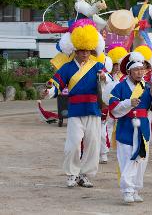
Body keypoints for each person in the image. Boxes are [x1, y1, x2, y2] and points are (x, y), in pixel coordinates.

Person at [42, 19, 109, 188]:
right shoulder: (66, 68)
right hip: (75, 109)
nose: (85, 53)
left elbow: (108, 84)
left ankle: (84, 175)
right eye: (81, 50)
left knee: (92, 144)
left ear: (91, 49)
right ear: (75, 50)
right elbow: (55, 84)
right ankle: (72, 174)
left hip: (93, 109)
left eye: (87, 50)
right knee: (73, 144)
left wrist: (104, 78)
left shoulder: (98, 66)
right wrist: (49, 91)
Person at [109, 52, 152, 203]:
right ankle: (127, 189)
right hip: (126, 126)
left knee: (141, 160)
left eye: (142, 69)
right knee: (127, 158)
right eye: (136, 69)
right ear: (128, 72)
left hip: (143, 126)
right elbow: (113, 109)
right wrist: (128, 103)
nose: (140, 72)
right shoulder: (118, 87)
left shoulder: (148, 87)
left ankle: (135, 189)